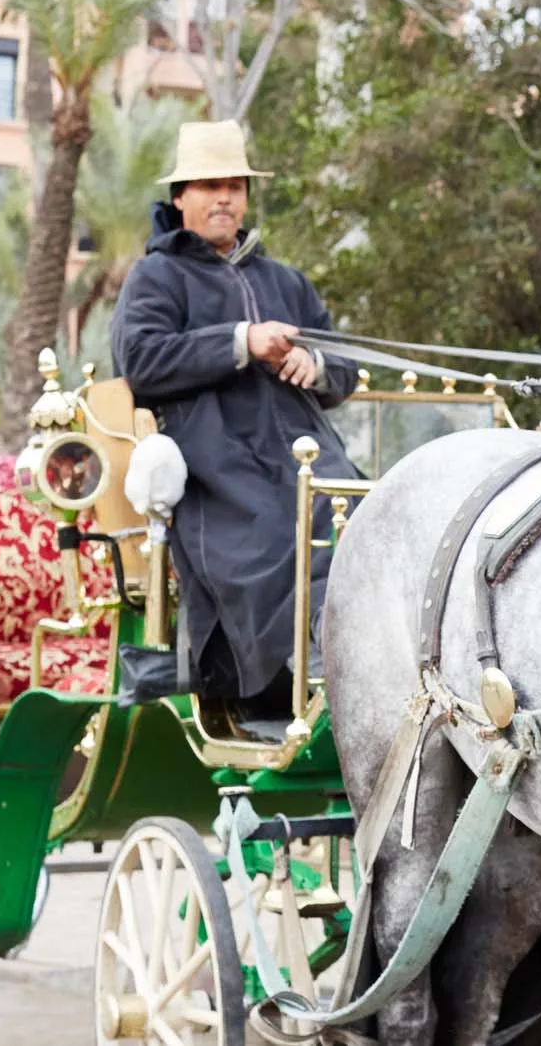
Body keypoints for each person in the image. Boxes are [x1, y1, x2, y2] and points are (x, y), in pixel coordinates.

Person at [110, 120, 361, 724]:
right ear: (180, 197)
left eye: (234, 186)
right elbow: (139, 361)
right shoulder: (156, 276)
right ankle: (307, 676)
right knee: (273, 538)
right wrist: (242, 340)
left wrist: (315, 365)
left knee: (363, 518)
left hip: (305, 448)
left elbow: (345, 368)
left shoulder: (286, 282)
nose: (223, 198)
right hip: (214, 464)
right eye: (209, 185)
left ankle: (370, 657)